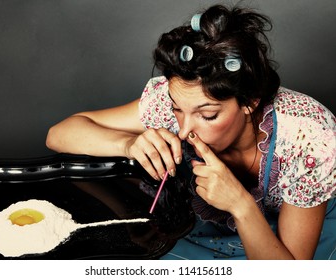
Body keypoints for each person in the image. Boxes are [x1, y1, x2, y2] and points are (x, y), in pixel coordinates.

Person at [46, 4, 336, 260]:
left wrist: (241, 204)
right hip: (212, 232)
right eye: (176, 109)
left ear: (250, 102)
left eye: (207, 115)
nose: (184, 130)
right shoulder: (178, 96)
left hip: (300, 239)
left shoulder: (310, 139)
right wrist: (129, 143)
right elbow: (59, 134)